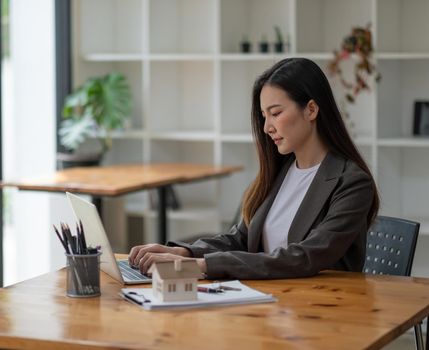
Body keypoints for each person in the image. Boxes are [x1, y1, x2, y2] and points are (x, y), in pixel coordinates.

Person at [129, 57, 380, 280]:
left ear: (311, 109)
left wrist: (198, 266)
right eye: (264, 116)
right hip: (271, 304)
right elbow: (240, 239)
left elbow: (304, 257)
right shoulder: (280, 173)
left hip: (325, 312)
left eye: (276, 113)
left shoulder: (352, 182)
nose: (266, 127)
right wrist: (183, 251)